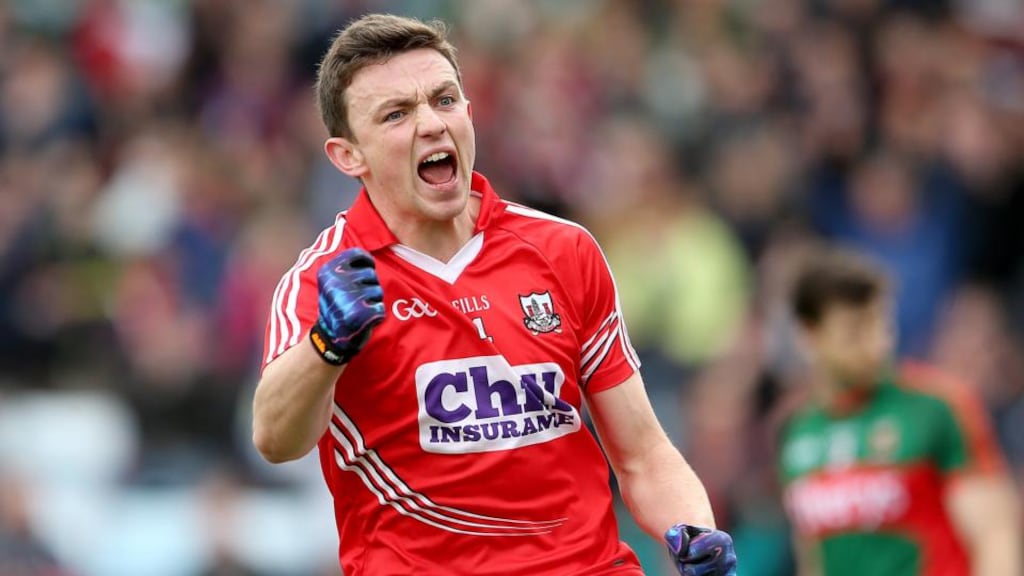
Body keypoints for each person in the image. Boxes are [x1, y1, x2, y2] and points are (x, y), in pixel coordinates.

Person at [250, 13, 736, 576]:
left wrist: (696, 530)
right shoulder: (325, 280)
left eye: (444, 100)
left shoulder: (563, 250)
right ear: (347, 156)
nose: (432, 124)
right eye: (396, 114)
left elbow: (643, 454)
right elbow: (275, 439)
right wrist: (326, 346)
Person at [779, 247, 1022, 576]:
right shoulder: (797, 432)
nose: (876, 345)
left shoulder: (937, 407)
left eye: (880, 324)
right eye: (854, 331)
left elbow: (996, 536)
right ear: (809, 334)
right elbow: (813, 558)